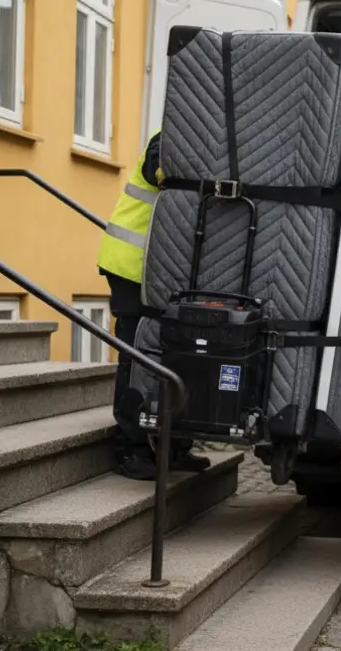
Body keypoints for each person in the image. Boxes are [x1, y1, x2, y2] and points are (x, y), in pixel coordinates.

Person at [96, 130, 209, 480]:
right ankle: (129, 449)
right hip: (132, 266)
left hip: (165, 271)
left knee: (179, 355)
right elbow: (167, 172)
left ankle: (173, 447)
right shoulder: (170, 137)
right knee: (136, 355)